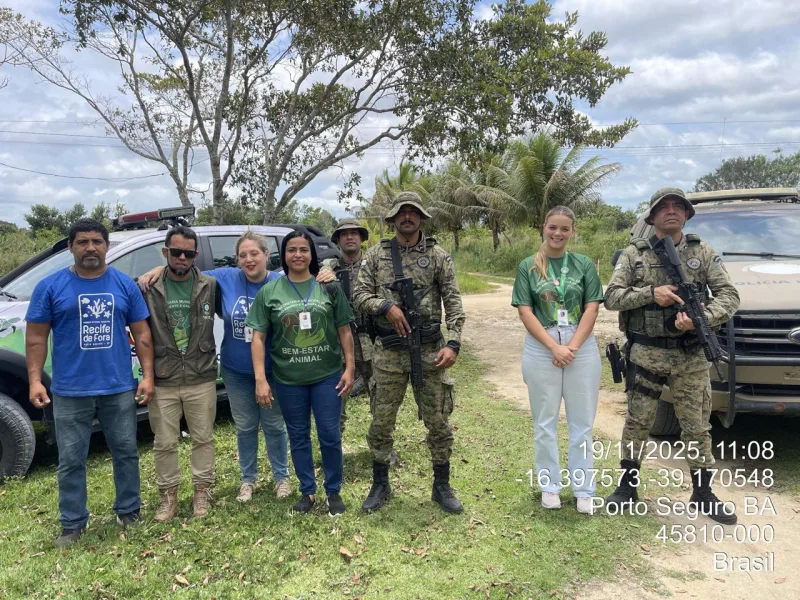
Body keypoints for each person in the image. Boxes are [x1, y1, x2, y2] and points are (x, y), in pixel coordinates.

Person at [138, 232, 337, 504]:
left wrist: (327, 271)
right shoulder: (225, 277)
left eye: (254, 253)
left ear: (267, 255)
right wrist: (157, 269)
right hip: (236, 369)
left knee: (274, 425)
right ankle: (248, 479)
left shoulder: (281, 282)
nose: (249, 259)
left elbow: (310, 283)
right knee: (244, 426)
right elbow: (184, 269)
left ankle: (281, 477)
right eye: (243, 255)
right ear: (237, 259)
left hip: (275, 369)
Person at [603, 188, 740, 524]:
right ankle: (627, 487)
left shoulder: (702, 251)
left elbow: (729, 296)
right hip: (646, 354)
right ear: (652, 217)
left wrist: (702, 318)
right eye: (663, 207)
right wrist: (652, 293)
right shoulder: (635, 254)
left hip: (690, 356)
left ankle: (703, 493)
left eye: (678, 206)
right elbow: (612, 297)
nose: (671, 211)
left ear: (687, 214)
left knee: (697, 427)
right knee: (637, 422)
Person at [25, 218, 154, 547]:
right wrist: (35, 381)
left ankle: (129, 511)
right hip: (70, 390)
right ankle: (72, 523)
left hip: (118, 387)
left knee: (126, 452)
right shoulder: (50, 287)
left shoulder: (124, 285)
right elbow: (36, 338)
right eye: (83, 242)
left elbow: (142, 333)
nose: (91, 248)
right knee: (71, 460)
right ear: (71, 247)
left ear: (107, 246)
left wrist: (148, 376)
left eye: (97, 241)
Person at [353, 191, 466, 514]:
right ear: (392, 219)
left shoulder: (438, 256)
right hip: (388, 353)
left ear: (421, 218)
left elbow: (453, 302)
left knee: (438, 422)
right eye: (401, 212)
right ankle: (380, 484)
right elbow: (360, 295)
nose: (407, 217)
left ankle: (441, 486)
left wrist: (453, 343)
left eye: (412, 212)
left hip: (430, 352)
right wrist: (385, 306)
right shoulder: (376, 256)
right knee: (381, 422)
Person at [246, 231, 355, 516]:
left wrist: (350, 367)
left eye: (303, 250)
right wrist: (260, 379)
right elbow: (258, 338)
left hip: (327, 376)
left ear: (311, 254)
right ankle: (307, 491)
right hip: (288, 379)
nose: (297, 255)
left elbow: (344, 330)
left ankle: (333, 490)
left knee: (330, 433)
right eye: (291, 249)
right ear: (283, 255)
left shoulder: (328, 286)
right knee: (298, 435)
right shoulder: (270, 291)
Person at [511, 206, 603, 514]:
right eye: (553, 227)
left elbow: (592, 308)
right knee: (544, 422)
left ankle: (584, 489)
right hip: (542, 346)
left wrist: (571, 347)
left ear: (573, 232)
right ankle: (549, 486)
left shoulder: (583, 264)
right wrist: (554, 347)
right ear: (544, 227)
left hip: (581, 346)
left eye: (564, 228)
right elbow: (525, 311)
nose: (558, 233)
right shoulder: (528, 266)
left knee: (582, 423)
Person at [142, 226, 219, 521]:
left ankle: (202, 492)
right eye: (176, 252)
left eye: (189, 253)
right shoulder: (148, 287)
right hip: (164, 376)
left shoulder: (210, 284)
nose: (182, 258)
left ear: (196, 255)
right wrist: (153, 271)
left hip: (201, 374)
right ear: (165, 252)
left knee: (203, 438)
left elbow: (252, 276)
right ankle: (168, 496)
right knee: (164, 442)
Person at [323, 219, 375, 433]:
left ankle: (381, 443)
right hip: (340, 341)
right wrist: (326, 272)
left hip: (372, 339)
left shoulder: (375, 265)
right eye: (344, 234)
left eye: (354, 233)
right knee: (336, 399)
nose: (350, 237)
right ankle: (334, 445)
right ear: (338, 240)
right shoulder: (329, 268)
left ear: (361, 238)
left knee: (381, 398)